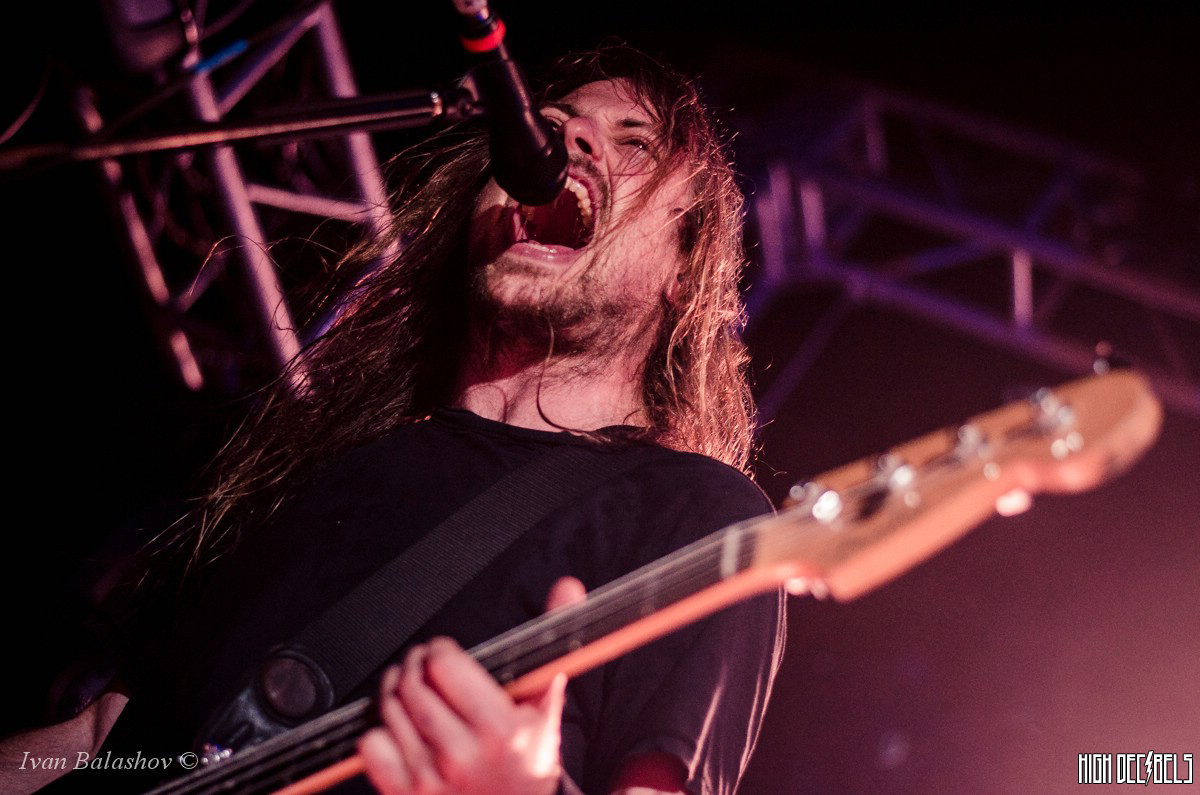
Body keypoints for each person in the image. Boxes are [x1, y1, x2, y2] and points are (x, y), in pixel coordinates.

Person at [3, 46, 784, 795]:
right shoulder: (321, 461)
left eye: (635, 143)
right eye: (551, 121)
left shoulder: (694, 515)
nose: (568, 136)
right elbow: (108, 741)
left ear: (687, 269)